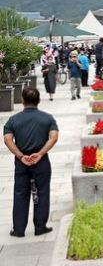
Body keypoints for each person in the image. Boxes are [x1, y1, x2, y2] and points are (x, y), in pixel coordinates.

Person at [3, 88, 58, 238]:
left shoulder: (13, 120)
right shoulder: (48, 119)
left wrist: (21, 156)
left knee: (20, 193)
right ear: (39, 100)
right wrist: (40, 153)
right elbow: (53, 137)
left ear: (22, 100)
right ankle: (40, 227)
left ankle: (19, 229)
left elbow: (8, 139)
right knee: (42, 191)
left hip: (22, 162)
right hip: (41, 161)